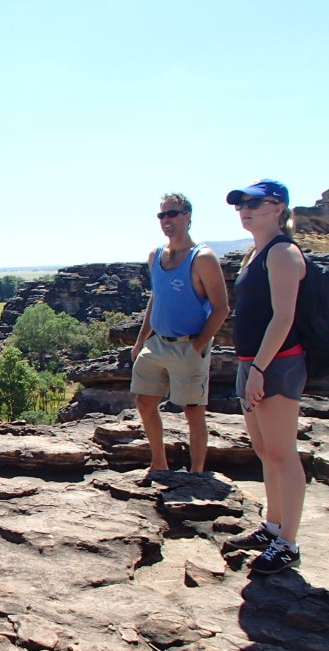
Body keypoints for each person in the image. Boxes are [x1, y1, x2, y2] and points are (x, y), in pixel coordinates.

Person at [222, 180, 306, 575]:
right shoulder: (254, 254)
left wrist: (259, 369)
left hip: (276, 364)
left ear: (278, 207)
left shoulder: (283, 253)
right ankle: (272, 527)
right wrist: (249, 367)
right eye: (241, 204)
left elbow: (284, 317)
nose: (245, 209)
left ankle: (287, 543)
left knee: (283, 454)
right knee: (263, 451)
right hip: (250, 364)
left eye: (254, 203)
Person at [131, 193, 229, 473]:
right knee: (145, 401)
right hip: (157, 343)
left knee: (193, 411)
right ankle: (159, 464)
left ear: (187, 216)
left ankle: (197, 473)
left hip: (188, 344)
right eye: (161, 215)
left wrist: (198, 346)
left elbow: (222, 308)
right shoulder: (156, 255)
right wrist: (141, 340)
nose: (166, 220)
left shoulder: (203, 257)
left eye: (172, 213)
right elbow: (156, 298)